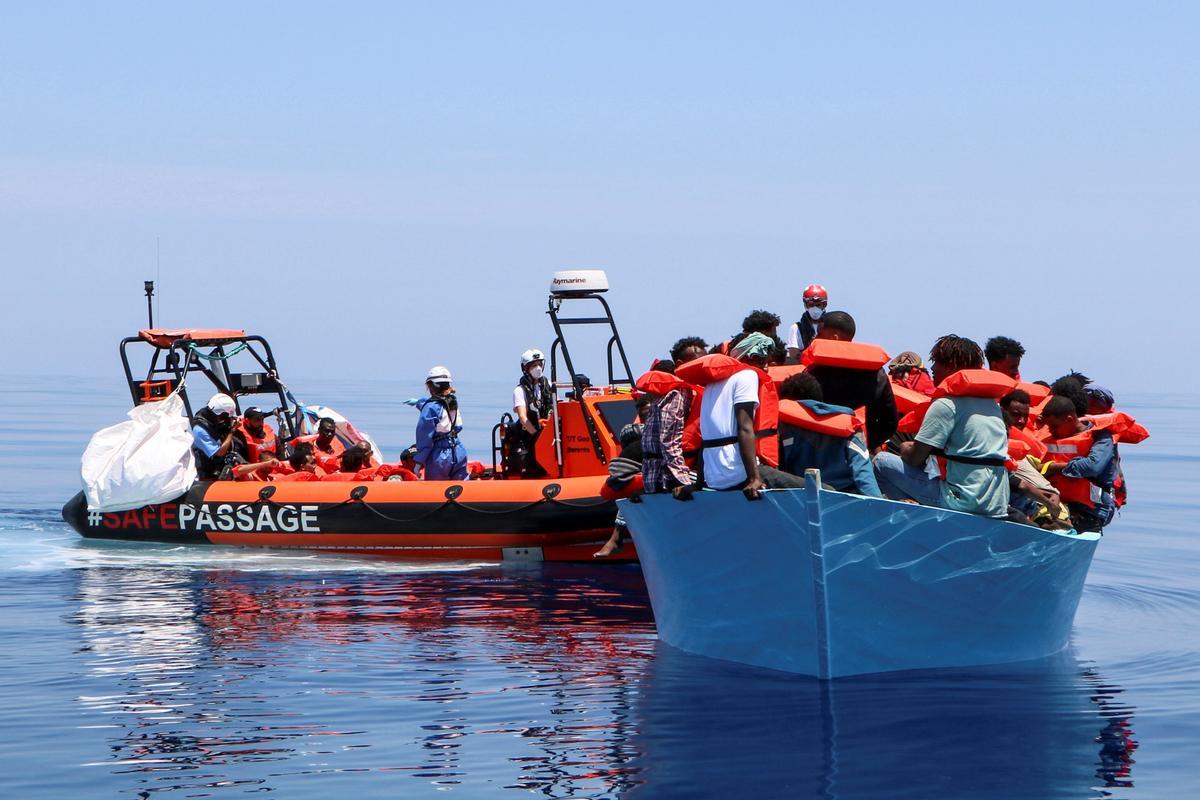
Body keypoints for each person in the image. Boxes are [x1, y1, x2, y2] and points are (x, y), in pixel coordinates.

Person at [872, 335, 1010, 518]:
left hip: (961, 502)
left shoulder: (946, 404)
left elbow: (914, 458)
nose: (932, 368)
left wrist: (905, 448)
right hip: (996, 504)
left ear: (951, 366)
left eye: (936, 362)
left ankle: (911, 520)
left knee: (881, 462)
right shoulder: (992, 405)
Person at [676, 332, 802, 500]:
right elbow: (745, 428)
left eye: (767, 362)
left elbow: (705, 438)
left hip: (714, 478)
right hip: (738, 473)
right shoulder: (747, 376)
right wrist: (754, 478)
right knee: (823, 488)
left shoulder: (712, 385)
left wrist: (699, 483)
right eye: (760, 360)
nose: (765, 368)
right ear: (747, 357)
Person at [803, 311, 898, 451]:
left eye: (819, 334)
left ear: (834, 338)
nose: (814, 339)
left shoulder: (813, 372)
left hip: (818, 449)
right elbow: (890, 421)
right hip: (858, 448)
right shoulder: (878, 373)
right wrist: (869, 444)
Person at [776, 372, 882, 497]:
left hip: (801, 497)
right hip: (844, 497)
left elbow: (781, 470)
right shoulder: (850, 426)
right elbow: (864, 475)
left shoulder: (785, 427)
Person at [1039, 396, 1123, 532]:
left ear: (1070, 420)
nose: (1051, 431)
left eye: (1054, 426)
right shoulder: (1050, 439)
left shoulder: (1100, 437)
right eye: (1049, 427)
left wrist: (1052, 468)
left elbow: (1092, 466)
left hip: (1092, 507)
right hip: (1057, 501)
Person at [640, 337, 708, 495]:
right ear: (679, 364)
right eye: (699, 362)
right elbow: (668, 441)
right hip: (664, 477)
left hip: (669, 470)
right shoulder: (677, 393)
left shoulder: (689, 391)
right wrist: (684, 481)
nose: (704, 366)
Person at [595, 395, 654, 557]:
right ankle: (617, 537)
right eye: (644, 415)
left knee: (640, 489)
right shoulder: (640, 438)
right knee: (637, 489)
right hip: (641, 475)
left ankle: (617, 537)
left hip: (652, 474)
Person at [415, 366, 469, 481]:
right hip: (458, 451)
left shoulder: (430, 408)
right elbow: (457, 426)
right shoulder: (452, 401)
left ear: (430, 386)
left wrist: (419, 462)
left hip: (440, 457)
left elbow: (424, 438)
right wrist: (419, 403)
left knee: (435, 492)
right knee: (460, 489)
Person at [510, 348, 552, 478]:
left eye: (539, 364)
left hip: (547, 434)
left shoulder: (548, 385)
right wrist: (536, 435)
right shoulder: (519, 390)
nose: (538, 368)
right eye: (534, 365)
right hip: (528, 436)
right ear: (526, 368)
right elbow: (523, 417)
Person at [192, 393, 243, 480]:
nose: (224, 420)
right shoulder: (200, 430)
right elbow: (219, 453)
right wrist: (232, 431)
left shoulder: (216, 423)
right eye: (224, 416)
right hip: (208, 473)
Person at [713, 310, 787, 366]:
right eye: (773, 333)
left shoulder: (725, 347)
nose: (775, 336)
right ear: (763, 332)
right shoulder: (772, 348)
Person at [785, 283, 828, 362]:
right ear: (805, 305)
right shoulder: (796, 328)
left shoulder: (831, 326)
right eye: (811, 305)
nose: (815, 308)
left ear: (824, 305)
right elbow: (793, 357)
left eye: (818, 305)